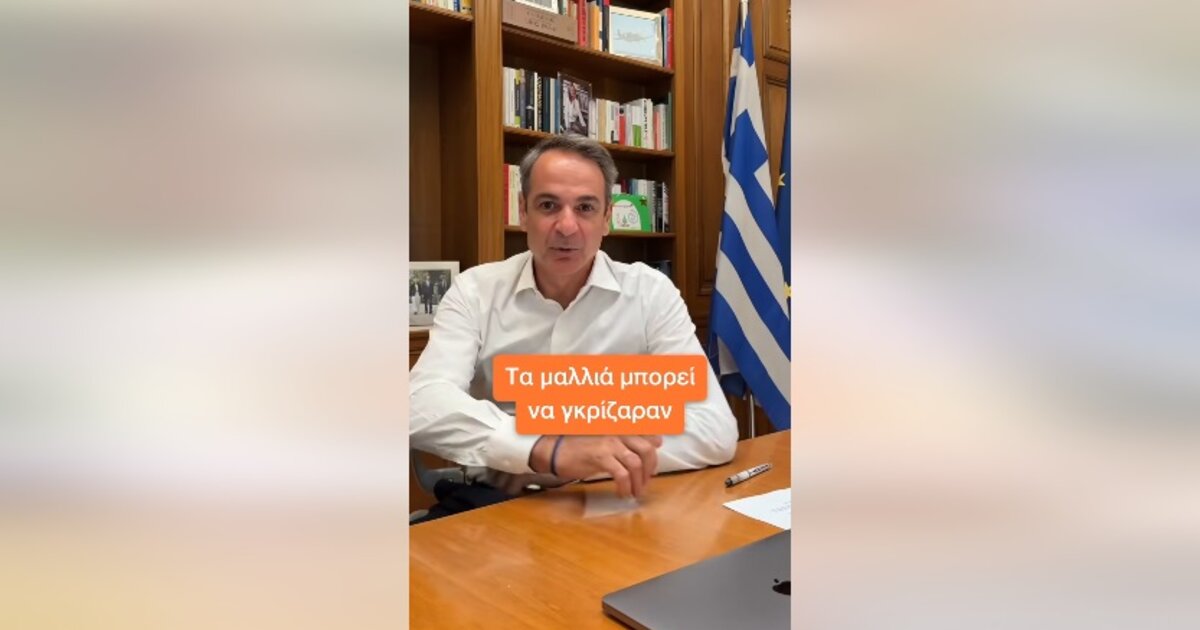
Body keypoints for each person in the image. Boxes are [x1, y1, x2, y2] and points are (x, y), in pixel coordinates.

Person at [409, 135, 737, 508]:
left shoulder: (650, 293)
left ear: (607, 218)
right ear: (523, 211)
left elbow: (713, 427)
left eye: (585, 207)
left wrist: (593, 455)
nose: (567, 226)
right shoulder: (474, 291)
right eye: (548, 205)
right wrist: (543, 449)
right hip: (497, 502)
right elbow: (421, 401)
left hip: (613, 497)